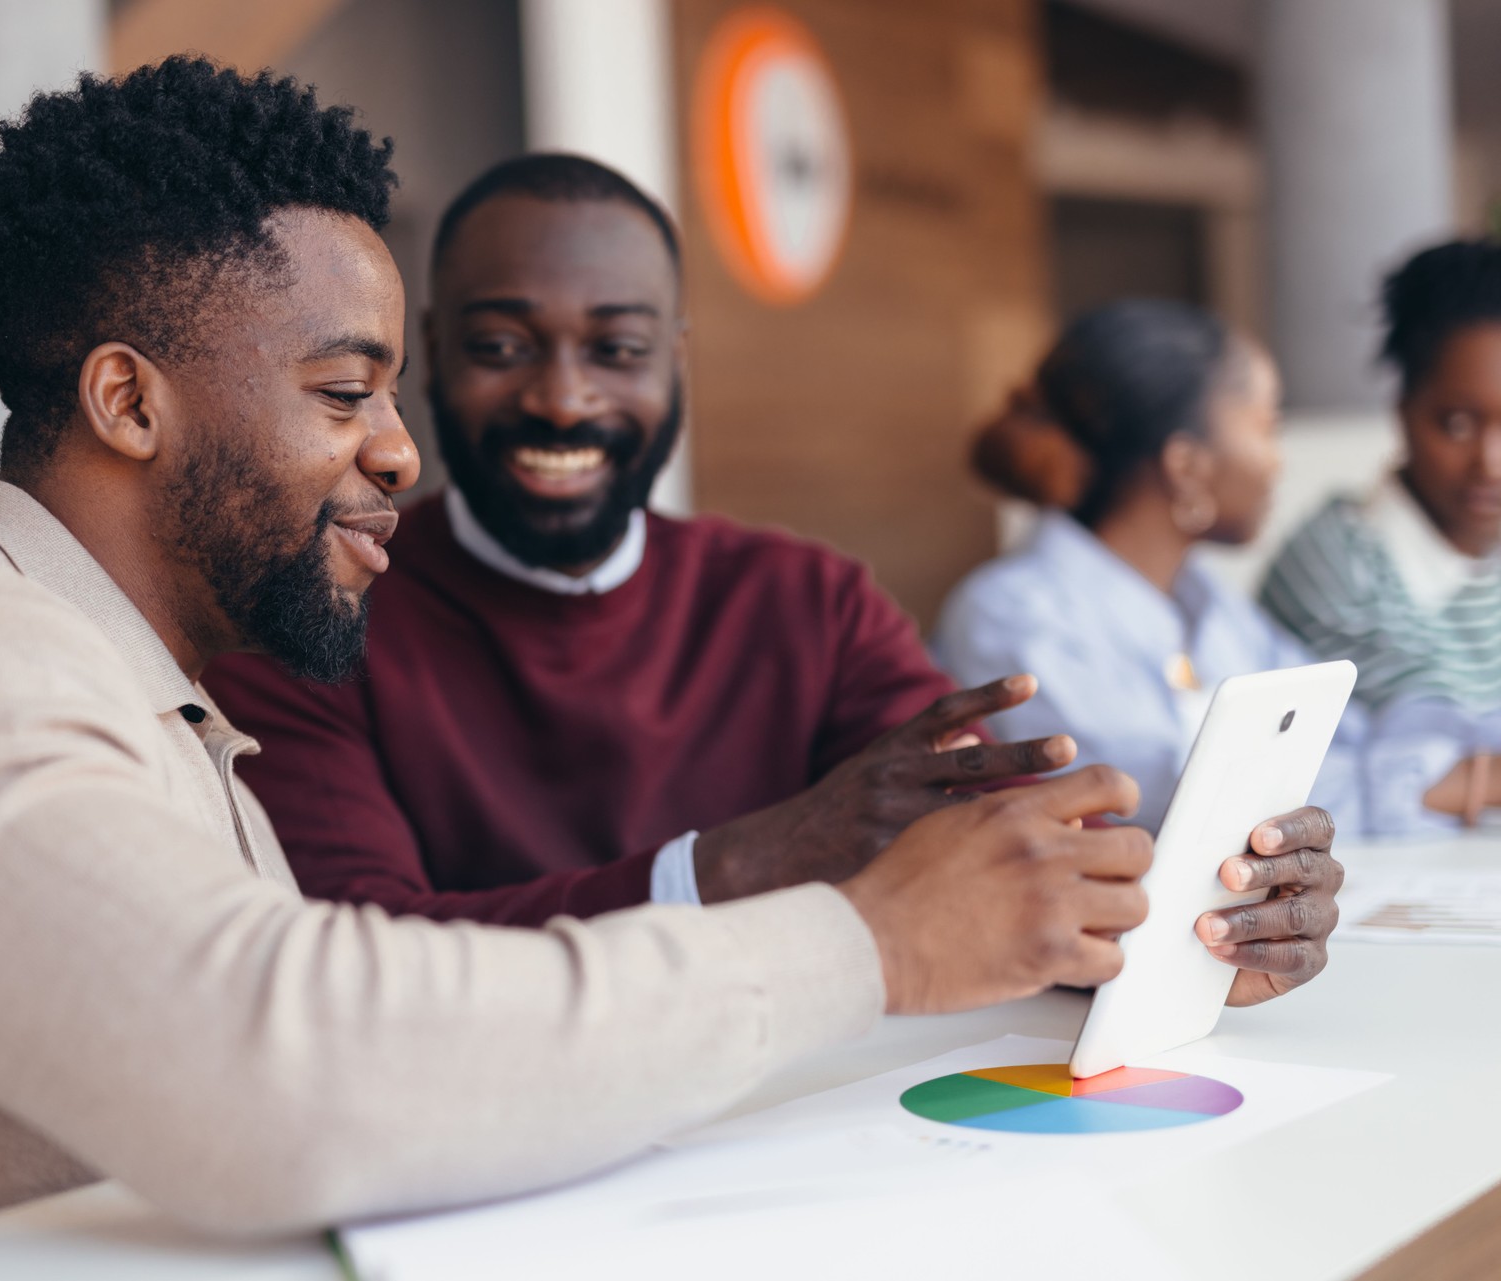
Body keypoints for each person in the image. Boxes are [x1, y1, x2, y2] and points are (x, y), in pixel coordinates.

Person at [0, 63, 1181, 1281]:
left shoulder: (143, 685)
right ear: (130, 404)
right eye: (347, 391)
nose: (404, 451)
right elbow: (278, 1069)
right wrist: (867, 945)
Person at [201, 161, 1339, 981]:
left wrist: (1211, 919)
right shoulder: (315, 613)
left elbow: (1013, 861)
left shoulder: (808, 601)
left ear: (676, 364)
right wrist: (747, 861)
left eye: (618, 349)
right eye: (503, 347)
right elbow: (366, 966)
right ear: (432, 358)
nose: (562, 395)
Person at [931, 300, 1366, 833]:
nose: (1278, 460)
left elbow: (1343, 732)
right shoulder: (1010, 618)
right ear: (1184, 466)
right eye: (1266, 426)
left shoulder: (1208, 603)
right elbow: (1174, 799)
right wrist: (1417, 783)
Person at [1262, 239, 1501, 832]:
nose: (1490, 462)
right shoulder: (1336, 562)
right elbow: (1419, 769)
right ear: (1402, 411)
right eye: (1457, 424)